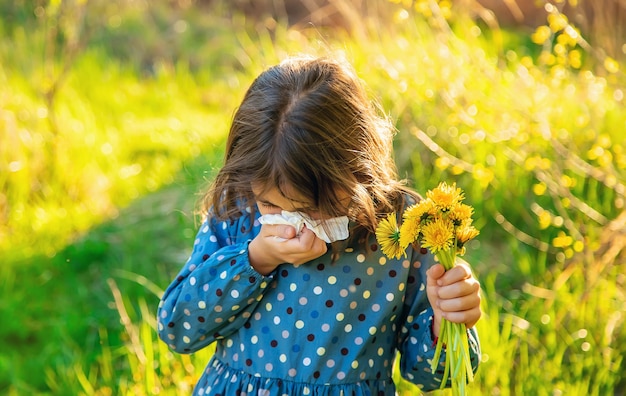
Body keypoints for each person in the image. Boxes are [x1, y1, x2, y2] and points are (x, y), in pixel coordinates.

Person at [157, 55, 482, 395]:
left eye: (318, 208)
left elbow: (430, 377)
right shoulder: (240, 211)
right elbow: (178, 330)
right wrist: (255, 259)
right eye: (272, 205)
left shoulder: (402, 228)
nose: (298, 225)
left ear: (358, 171)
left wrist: (445, 323)